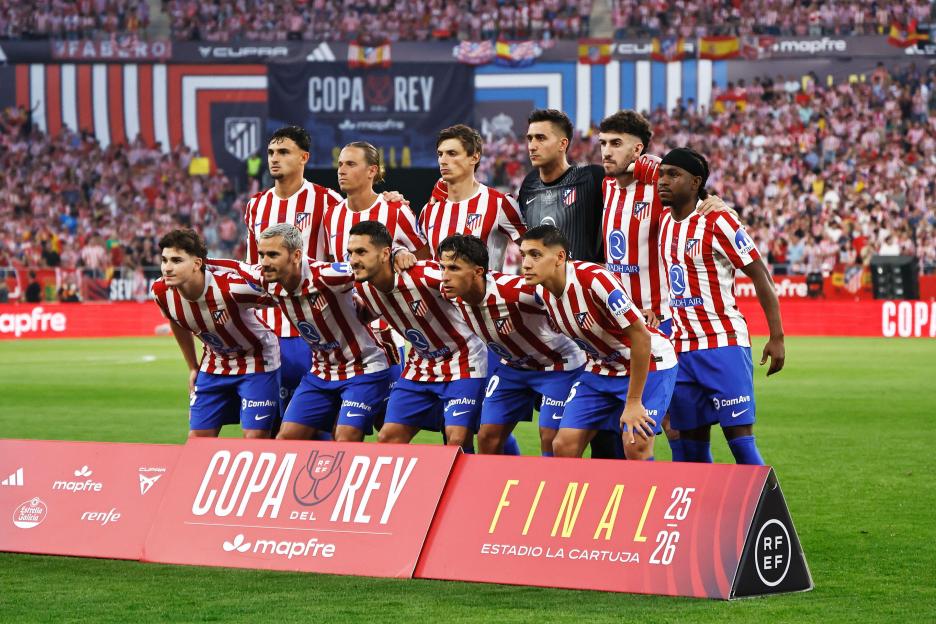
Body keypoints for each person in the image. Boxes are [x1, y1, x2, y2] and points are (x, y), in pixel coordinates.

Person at [597, 109, 730, 461]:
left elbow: (693, 187)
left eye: (616, 144)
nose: (606, 151)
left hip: (661, 319)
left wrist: (712, 199)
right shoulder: (607, 186)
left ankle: (693, 490)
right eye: (603, 144)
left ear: (638, 150)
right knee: (628, 421)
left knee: (673, 422)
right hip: (619, 323)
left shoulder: (658, 181)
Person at [657, 148, 785, 464]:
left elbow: (761, 275)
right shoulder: (663, 221)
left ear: (695, 182)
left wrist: (777, 336)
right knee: (692, 447)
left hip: (722, 344)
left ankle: (770, 515)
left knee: (740, 443)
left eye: (674, 175)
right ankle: (702, 515)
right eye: (662, 174)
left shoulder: (718, 221)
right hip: (681, 351)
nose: (663, 181)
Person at [210, 224, 390, 442]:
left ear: (296, 255)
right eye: (262, 255)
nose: (265, 262)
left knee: (346, 436)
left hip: (363, 367)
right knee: (286, 439)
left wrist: (398, 255)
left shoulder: (327, 275)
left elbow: (374, 268)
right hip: (322, 372)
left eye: (273, 255)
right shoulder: (265, 277)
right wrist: (197, 261)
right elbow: (236, 266)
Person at [519, 225, 678, 460]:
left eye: (536, 255)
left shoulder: (594, 280)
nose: (526, 263)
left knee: (635, 443)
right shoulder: (542, 292)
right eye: (523, 255)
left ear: (560, 257)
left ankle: (646, 496)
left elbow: (641, 336)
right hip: (601, 369)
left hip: (650, 362)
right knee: (563, 445)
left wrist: (633, 402)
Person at [436, 234, 585, 455]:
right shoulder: (450, 292)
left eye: (454, 269)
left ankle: (552, 488)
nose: (444, 277)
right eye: (443, 268)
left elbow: (563, 291)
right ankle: (500, 487)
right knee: (487, 437)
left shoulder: (516, 291)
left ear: (478, 272)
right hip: (512, 369)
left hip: (558, 365)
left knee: (550, 437)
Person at [348, 221, 487, 451]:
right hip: (421, 364)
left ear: (385, 254)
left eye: (361, 252)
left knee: (457, 441)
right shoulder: (362, 286)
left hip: (463, 359)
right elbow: (365, 313)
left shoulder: (424, 275)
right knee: (387, 439)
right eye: (350, 253)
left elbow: (472, 283)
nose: (353, 260)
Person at [243, 125, 343, 417]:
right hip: (267, 330)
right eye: (272, 152)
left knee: (317, 422)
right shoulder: (256, 205)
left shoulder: (328, 201)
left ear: (304, 157)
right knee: (269, 424)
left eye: (284, 152)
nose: (275, 158)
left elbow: (340, 262)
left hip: (312, 330)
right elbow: (252, 268)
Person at [152, 228, 280, 439]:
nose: (167, 268)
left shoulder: (230, 286)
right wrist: (193, 366)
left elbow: (282, 296)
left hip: (256, 360)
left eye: (176, 260)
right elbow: (176, 322)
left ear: (197, 264)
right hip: (215, 363)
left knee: (255, 436)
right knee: (197, 439)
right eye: (164, 260)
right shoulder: (161, 293)